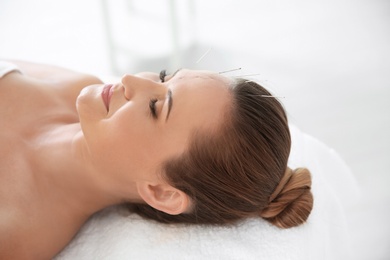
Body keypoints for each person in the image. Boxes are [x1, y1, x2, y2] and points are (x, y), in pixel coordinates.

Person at [0, 60, 313, 259]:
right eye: (164, 77)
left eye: (155, 107)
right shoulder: (76, 85)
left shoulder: (16, 234)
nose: (129, 80)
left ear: (162, 192)